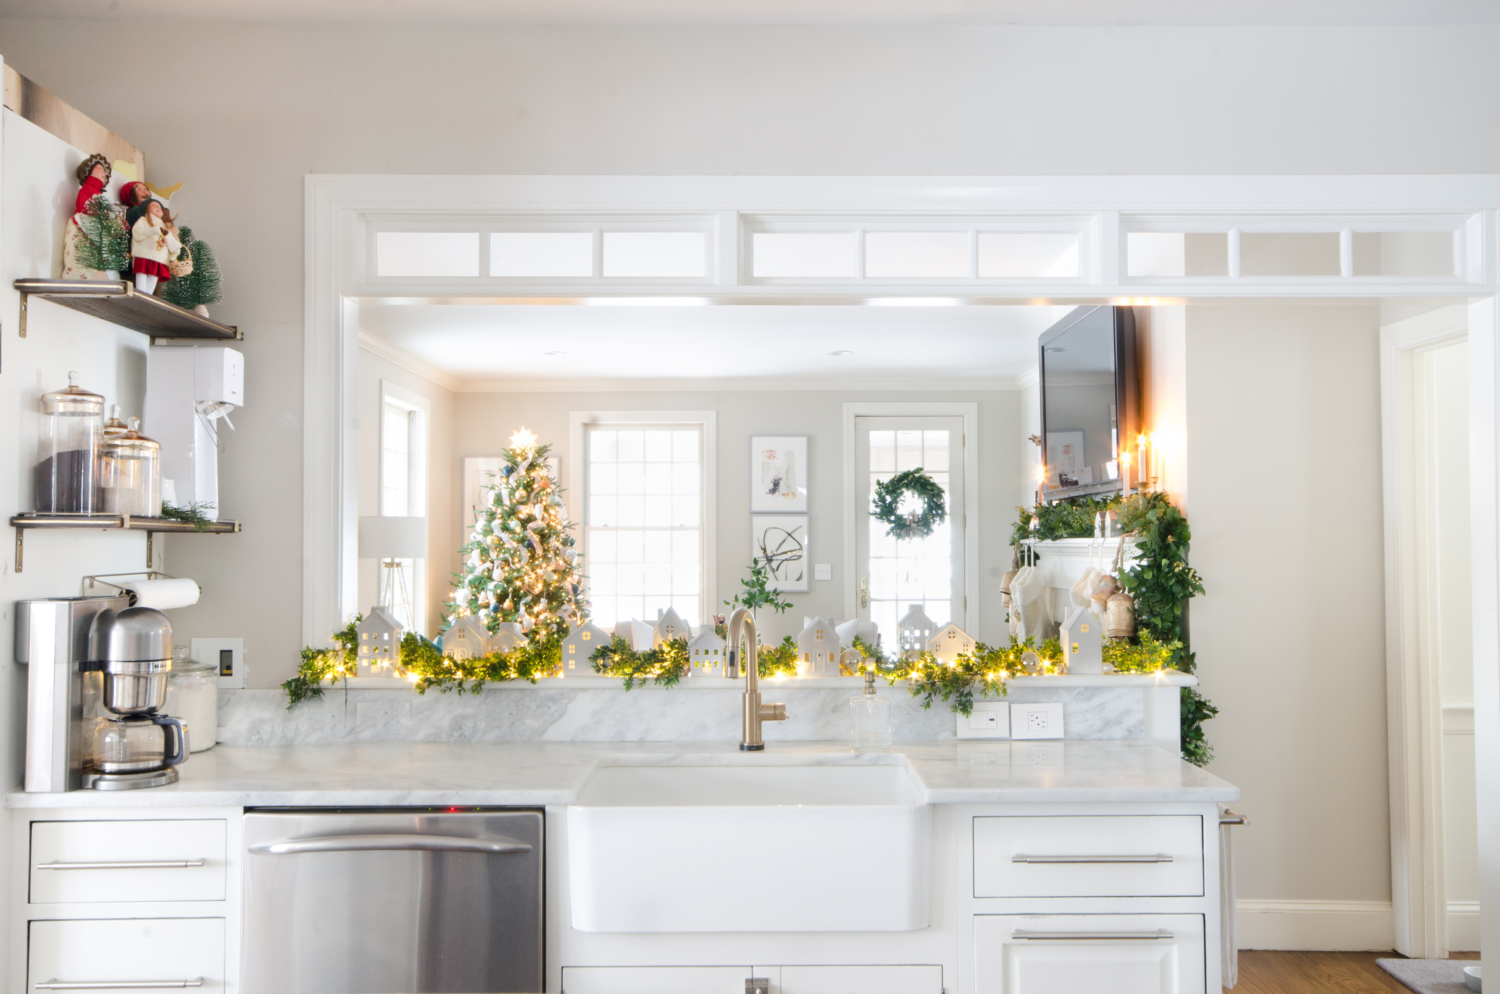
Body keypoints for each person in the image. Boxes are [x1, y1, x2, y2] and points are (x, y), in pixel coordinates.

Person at [61, 153, 116, 280]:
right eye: (100, 168)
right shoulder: (87, 189)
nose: (104, 172)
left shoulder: (97, 194)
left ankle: (91, 274)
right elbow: (83, 205)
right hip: (83, 226)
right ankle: (78, 275)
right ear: (88, 170)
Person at [128, 198, 180, 295]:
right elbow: (137, 233)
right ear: (145, 208)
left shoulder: (165, 226)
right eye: (153, 205)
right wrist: (154, 230)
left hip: (159, 259)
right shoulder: (143, 220)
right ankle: (140, 299)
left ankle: (146, 301)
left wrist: (173, 256)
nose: (157, 208)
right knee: (141, 285)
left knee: (151, 286)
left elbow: (173, 245)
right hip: (143, 255)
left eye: (160, 207)